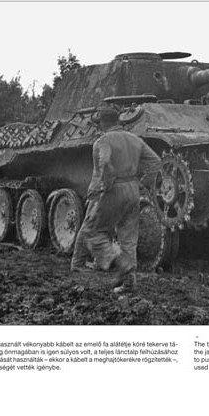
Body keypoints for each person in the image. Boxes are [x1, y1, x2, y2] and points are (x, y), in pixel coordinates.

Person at [72, 105, 161, 294]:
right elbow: (155, 161)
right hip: (133, 189)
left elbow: (104, 162)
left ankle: (83, 265)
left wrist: (102, 186)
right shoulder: (135, 139)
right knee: (128, 237)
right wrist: (143, 183)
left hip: (112, 189)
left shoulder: (103, 140)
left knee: (93, 230)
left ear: (103, 124)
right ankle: (129, 283)